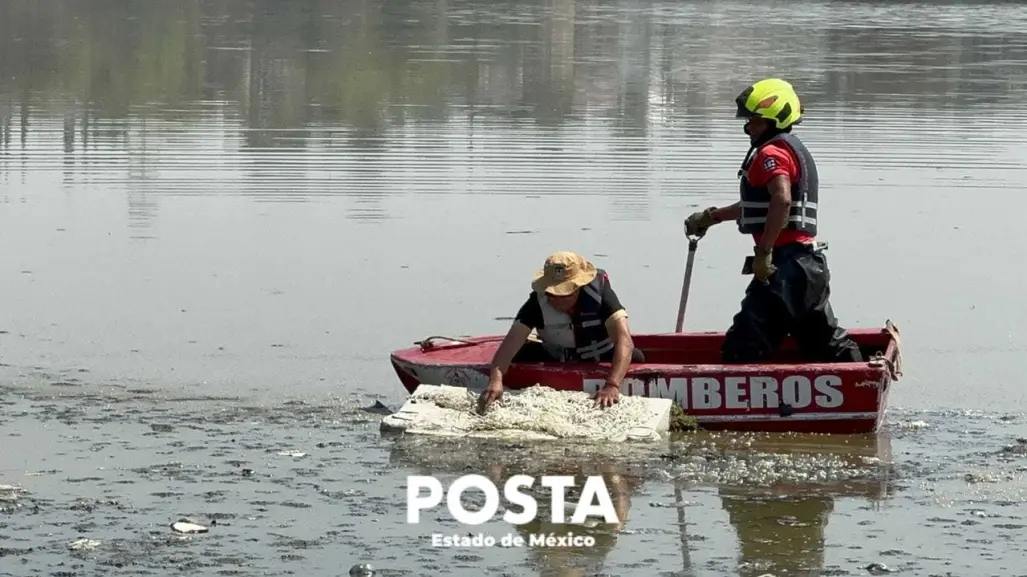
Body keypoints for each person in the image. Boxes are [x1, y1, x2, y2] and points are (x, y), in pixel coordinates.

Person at [683, 78, 863, 365]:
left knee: (742, 347)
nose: (747, 127)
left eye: (755, 120)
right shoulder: (791, 149)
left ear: (774, 119)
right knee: (822, 341)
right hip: (808, 268)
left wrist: (764, 252)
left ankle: (735, 405)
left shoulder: (771, 153)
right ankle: (863, 378)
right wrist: (712, 217)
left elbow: (781, 200)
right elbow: (761, 207)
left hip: (785, 268)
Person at [476, 251, 644, 413]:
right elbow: (510, 343)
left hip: (600, 355)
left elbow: (624, 341)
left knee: (636, 357)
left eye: (565, 294)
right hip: (555, 355)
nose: (557, 300)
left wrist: (612, 385)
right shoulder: (536, 302)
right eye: (553, 294)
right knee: (519, 354)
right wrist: (495, 380)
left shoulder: (600, 294)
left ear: (578, 287)